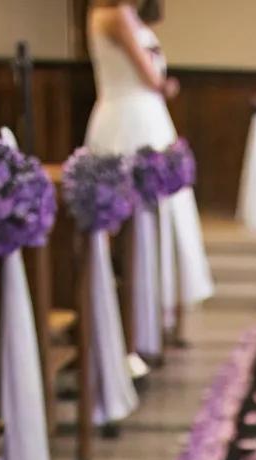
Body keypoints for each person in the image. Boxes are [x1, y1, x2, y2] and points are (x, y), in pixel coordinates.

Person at [86, 0, 213, 345]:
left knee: (166, 211)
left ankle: (162, 312)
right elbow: (148, 75)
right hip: (129, 119)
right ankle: (134, 317)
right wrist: (164, 85)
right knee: (137, 215)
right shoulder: (112, 16)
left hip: (144, 117)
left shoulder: (121, 15)